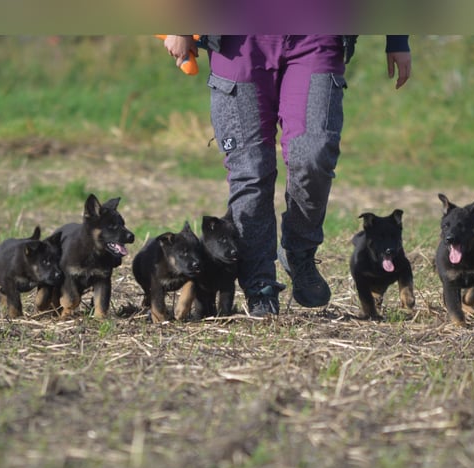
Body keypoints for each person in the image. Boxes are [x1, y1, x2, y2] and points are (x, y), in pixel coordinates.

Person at [163, 35, 411, 316]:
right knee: (250, 171)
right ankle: (260, 285)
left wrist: (398, 39)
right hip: (239, 42)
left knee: (313, 155)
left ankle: (299, 251)